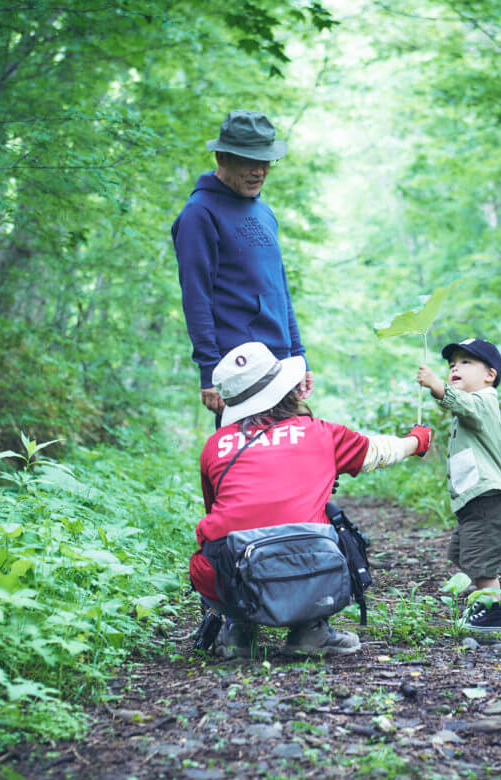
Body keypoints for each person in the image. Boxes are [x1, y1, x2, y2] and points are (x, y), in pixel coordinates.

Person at [191, 341, 431, 658]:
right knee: (335, 526)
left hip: (234, 575)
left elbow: (217, 520)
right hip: (305, 564)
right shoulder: (318, 432)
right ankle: (311, 629)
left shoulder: (215, 445)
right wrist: (416, 441)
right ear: (284, 389)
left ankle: (237, 628)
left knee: (215, 549)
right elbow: (378, 453)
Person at [172, 110, 313, 418]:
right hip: (240, 372)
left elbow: (280, 291)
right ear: (222, 157)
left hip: (282, 368)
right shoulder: (199, 214)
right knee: (245, 463)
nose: (259, 171)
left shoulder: (264, 213)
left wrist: (299, 357)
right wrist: (209, 369)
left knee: (290, 459)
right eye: (249, 161)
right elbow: (196, 297)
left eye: (266, 161)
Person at [416, 338, 501, 632]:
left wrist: (436, 385)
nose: (454, 368)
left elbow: (460, 402)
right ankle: (493, 598)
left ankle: (492, 614)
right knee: (465, 554)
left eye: (465, 362)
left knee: (480, 560)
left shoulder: (485, 401)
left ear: (490, 375)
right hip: (474, 500)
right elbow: (458, 405)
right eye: (451, 365)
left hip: (488, 498)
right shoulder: (469, 407)